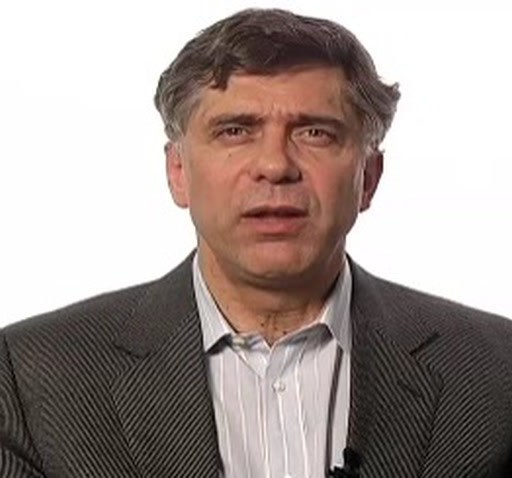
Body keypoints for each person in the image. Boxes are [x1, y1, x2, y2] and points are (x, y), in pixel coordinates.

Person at [1, 8, 511, 478]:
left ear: (369, 178)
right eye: (235, 131)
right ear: (178, 171)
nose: (275, 165)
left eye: (315, 133)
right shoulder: (32, 376)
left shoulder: (497, 372)